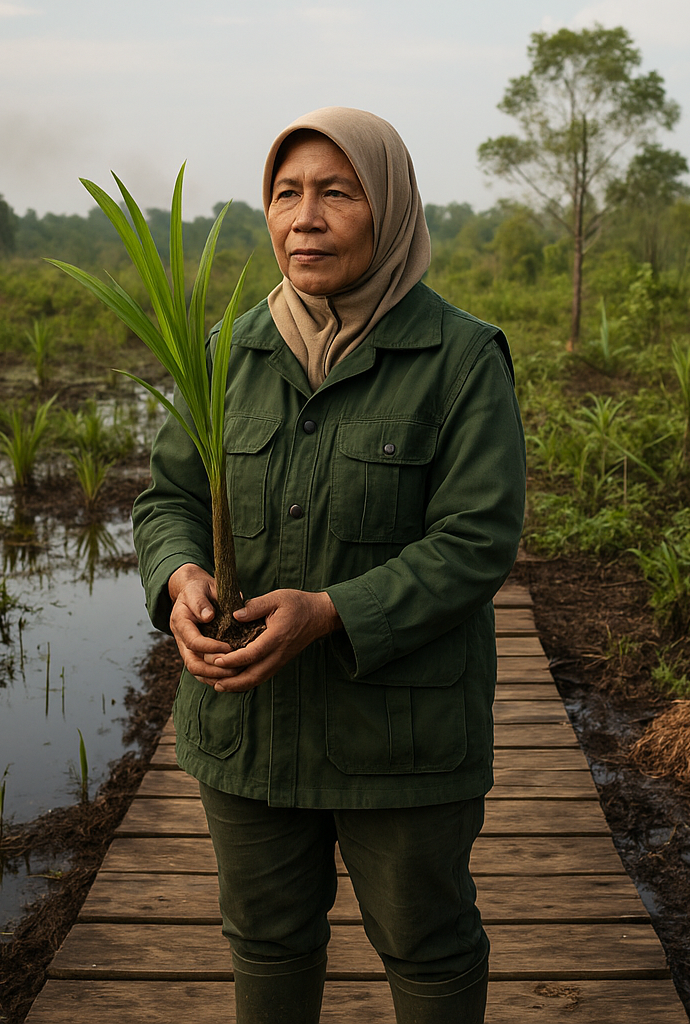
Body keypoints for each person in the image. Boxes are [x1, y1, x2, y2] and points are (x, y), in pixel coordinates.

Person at [132, 106, 526, 1024]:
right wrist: (179, 577)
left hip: (403, 739)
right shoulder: (228, 354)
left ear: (389, 210)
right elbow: (168, 501)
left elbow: (477, 539)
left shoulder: (461, 359)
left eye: (335, 193)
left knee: (428, 942)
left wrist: (334, 610)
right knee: (266, 939)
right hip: (248, 728)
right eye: (285, 193)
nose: (303, 217)